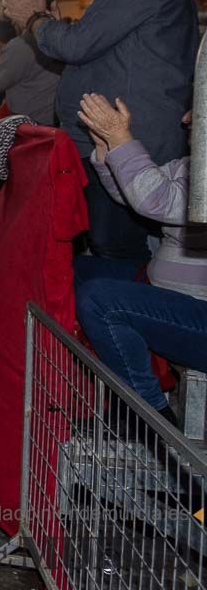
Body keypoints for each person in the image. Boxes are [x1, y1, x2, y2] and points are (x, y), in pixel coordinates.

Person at [2, 0, 197, 261]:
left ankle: (125, 310)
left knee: (115, 244)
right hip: (117, 138)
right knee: (107, 240)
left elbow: (77, 46)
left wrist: (34, 20)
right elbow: (96, 49)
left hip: (132, 138)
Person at [74, 94, 206, 425]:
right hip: (167, 291)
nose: (186, 118)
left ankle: (147, 414)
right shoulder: (191, 164)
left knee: (99, 300)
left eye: (199, 109)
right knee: (76, 271)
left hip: (199, 316)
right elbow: (136, 194)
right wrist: (107, 151)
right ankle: (138, 387)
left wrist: (121, 138)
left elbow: (156, 199)